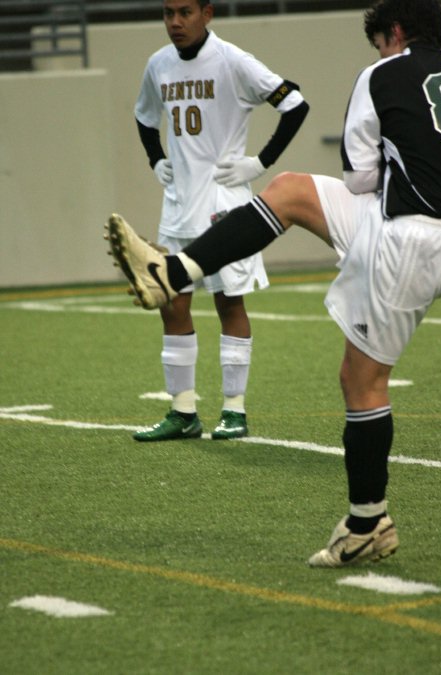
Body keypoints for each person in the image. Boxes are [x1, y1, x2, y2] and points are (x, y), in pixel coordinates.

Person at [106, 0, 441, 566]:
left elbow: (359, 176)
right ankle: (173, 272)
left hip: (410, 235)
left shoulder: (381, 73)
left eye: (380, 43)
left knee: (362, 382)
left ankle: (367, 523)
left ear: (393, 34)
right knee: (287, 189)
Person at [130, 0, 309, 442]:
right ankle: (183, 411)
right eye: (168, 12)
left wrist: (260, 162)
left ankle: (234, 411)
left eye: (185, 12)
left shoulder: (232, 60)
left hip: (224, 206)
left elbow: (296, 103)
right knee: (172, 303)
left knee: (229, 303)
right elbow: (143, 116)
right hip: (177, 205)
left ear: (207, 13)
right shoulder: (158, 64)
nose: (175, 22)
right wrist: (156, 160)